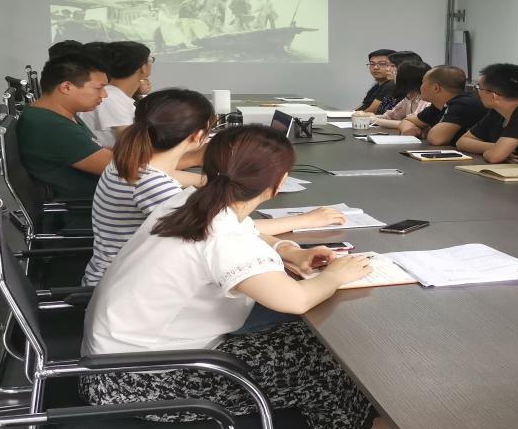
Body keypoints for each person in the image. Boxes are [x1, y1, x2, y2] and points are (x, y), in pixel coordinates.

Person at [80, 125, 427, 429]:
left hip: (114, 365)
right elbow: (295, 300)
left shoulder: (193, 200)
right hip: (145, 383)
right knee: (328, 359)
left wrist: (290, 252)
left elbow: (248, 230)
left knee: (312, 340)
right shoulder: (222, 236)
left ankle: (355, 418)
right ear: (277, 184)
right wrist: (335, 275)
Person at [84, 89, 347, 287]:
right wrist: (305, 220)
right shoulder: (153, 184)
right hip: (132, 284)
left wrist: (231, 175)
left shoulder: (130, 162)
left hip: (124, 277)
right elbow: (222, 230)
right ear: (199, 136)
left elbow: (194, 183)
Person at [15, 53, 111, 206]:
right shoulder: (49, 125)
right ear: (66, 87)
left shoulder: (59, 114)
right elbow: (125, 169)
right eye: (99, 88)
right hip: (89, 208)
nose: (104, 95)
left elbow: (97, 149)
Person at [78, 41, 153, 149]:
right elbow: (132, 146)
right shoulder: (111, 97)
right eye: (150, 60)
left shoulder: (114, 95)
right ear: (143, 68)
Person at [398, 65, 489, 146]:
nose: (420, 87)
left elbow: (436, 139)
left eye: (423, 83)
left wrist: (427, 130)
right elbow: (408, 120)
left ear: (435, 88)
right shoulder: (438, 105)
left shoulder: (463, 103)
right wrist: (410, 130)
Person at [362, 60, 431, 130]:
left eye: (395, 73)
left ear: (405, 79)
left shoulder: (426, 100)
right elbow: (391, 116)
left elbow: (411, 123)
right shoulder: (409, 97)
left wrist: (375, 120)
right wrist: (369, 117)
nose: (393, 76)